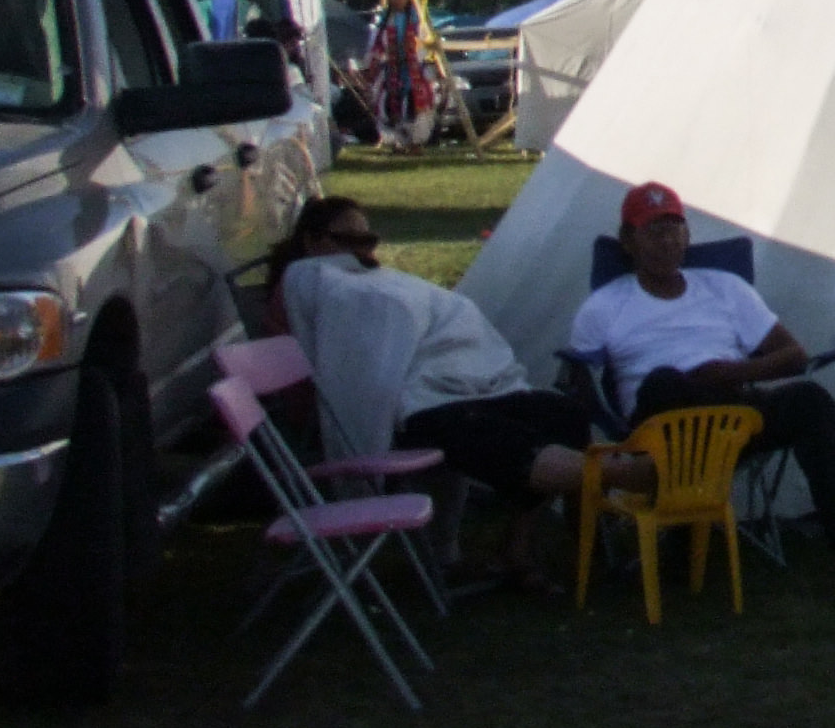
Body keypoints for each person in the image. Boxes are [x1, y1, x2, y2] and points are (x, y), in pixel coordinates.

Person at [268, 195, 642, 589]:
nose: (361, 250)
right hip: (407, 408)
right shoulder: (307, 288)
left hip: (449, 384)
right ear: (311, 241)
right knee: (493, 436)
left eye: (368, 240)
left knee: (560, 414)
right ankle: (621, 474)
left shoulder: (370, 282)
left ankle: (517, 545)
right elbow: (348, 369)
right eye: (347, 240)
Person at [567, 182, 835, 595]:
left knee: (810, 400)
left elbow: (794, 355)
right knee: (665, 381)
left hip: (733, 416)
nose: (667, 242)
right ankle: (683, 532)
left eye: (674, 229)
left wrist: (733, 373)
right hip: (659, 429)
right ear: (628, 241)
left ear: (687, 235)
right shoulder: (604, 306)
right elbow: (579, 378)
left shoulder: (724, 287)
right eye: (653, 231)